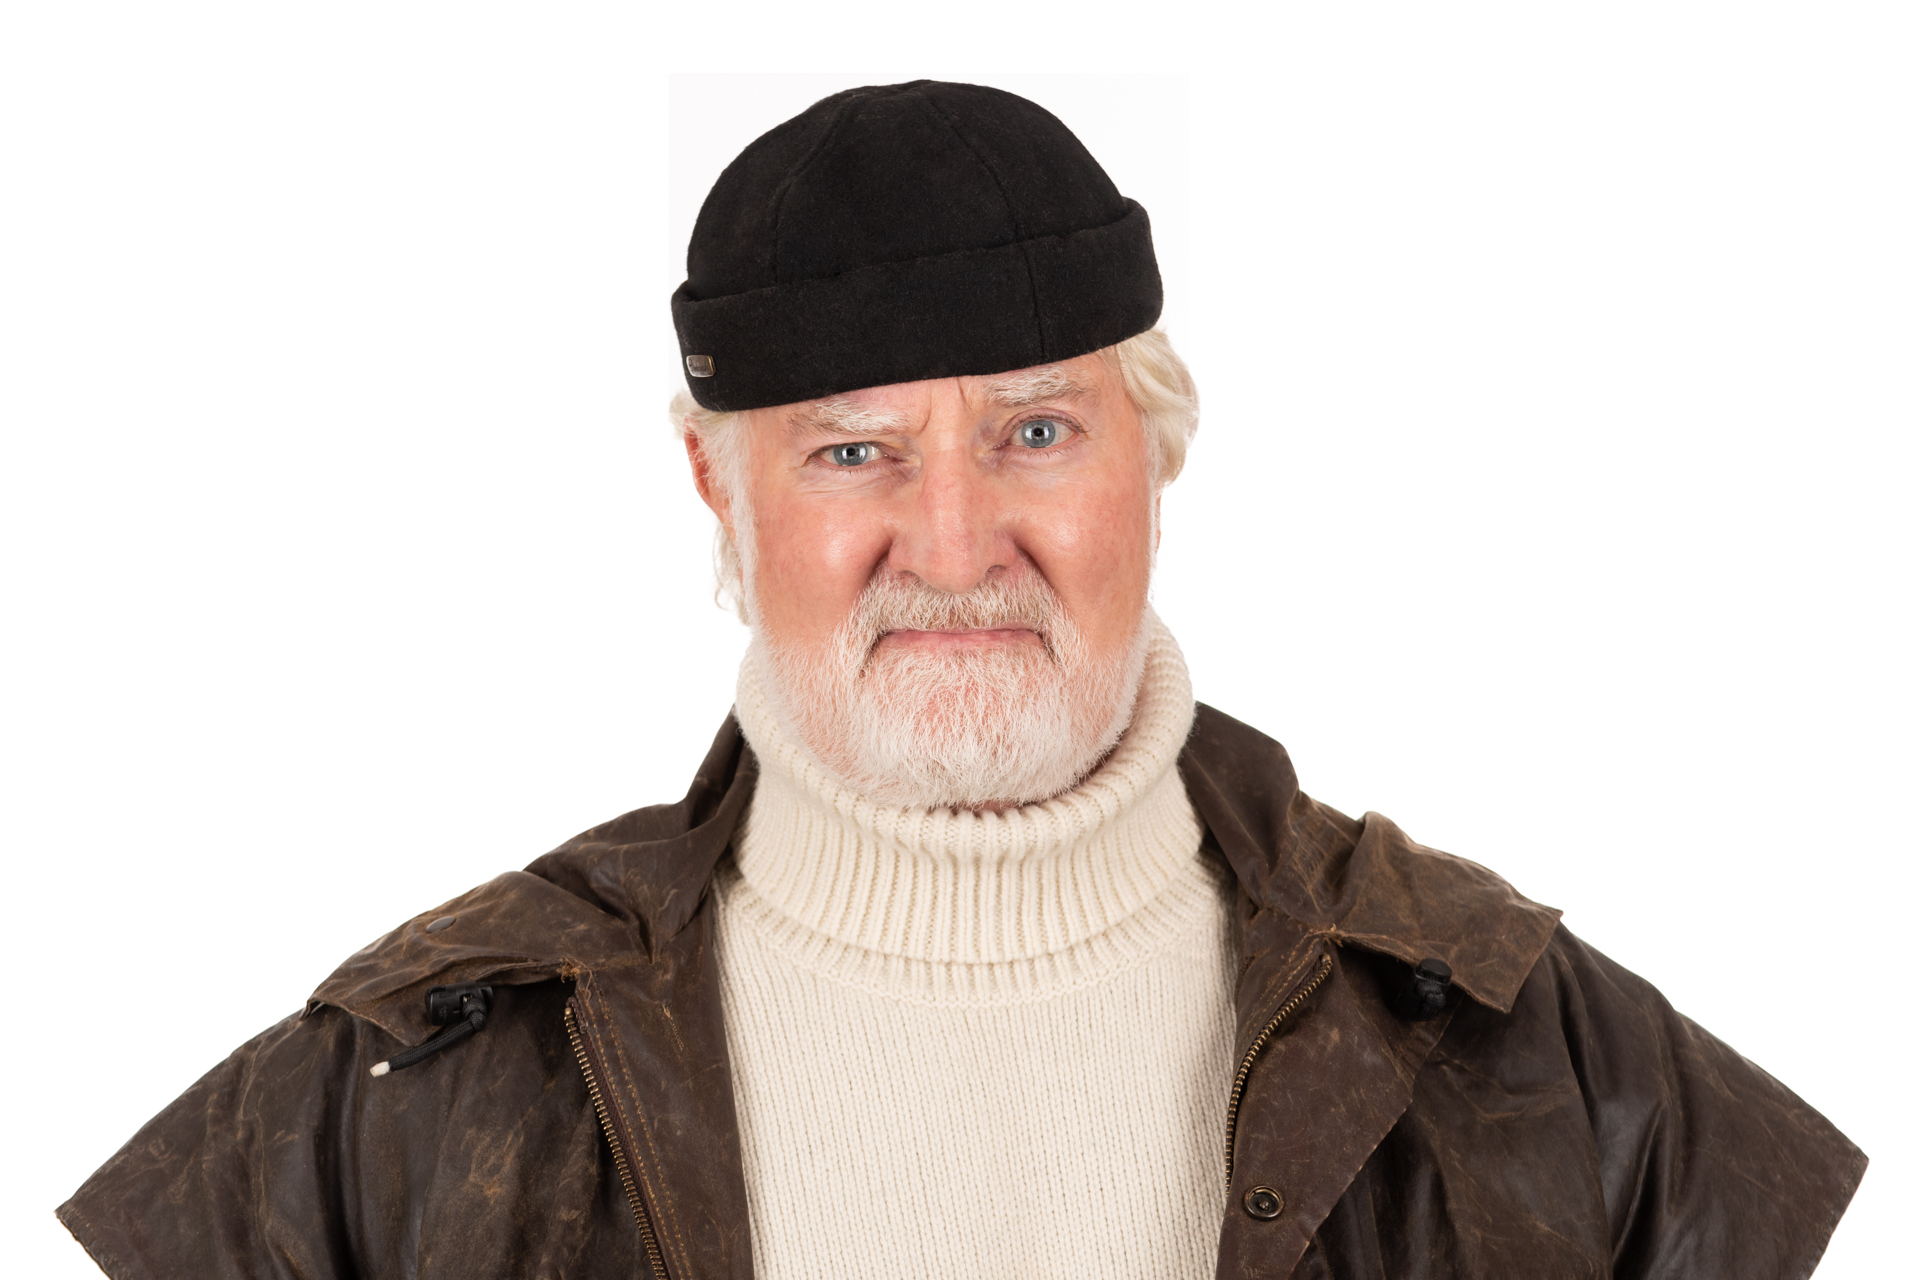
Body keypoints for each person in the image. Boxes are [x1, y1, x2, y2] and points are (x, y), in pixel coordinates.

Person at [58, 80, 1863, 1280]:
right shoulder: (405, 1086)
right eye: (852, 452)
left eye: (1037, 432)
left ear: (1156, 456)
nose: (951, 542)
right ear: (719, 489)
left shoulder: (1524, 1040)